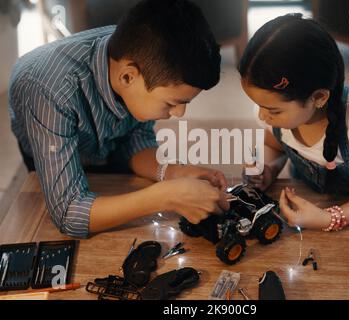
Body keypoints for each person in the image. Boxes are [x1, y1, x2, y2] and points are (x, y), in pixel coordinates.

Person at [8, 0, 229, 238]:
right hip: (49, 147)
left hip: (107, 146)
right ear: (127, 77)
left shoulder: (142, 57)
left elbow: (134, 140)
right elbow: (69, 213)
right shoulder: (48, 90)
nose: (179, 114)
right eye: (172, 103)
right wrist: (166, 196)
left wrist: (173, 172)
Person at [239, 14, 349, 231]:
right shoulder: (275, 109)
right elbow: (274, 145)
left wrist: (329, 218)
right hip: (310, 197)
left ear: (319, 97)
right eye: (259, 105)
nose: (263, 116)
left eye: (273, 110)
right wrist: (267, 170)